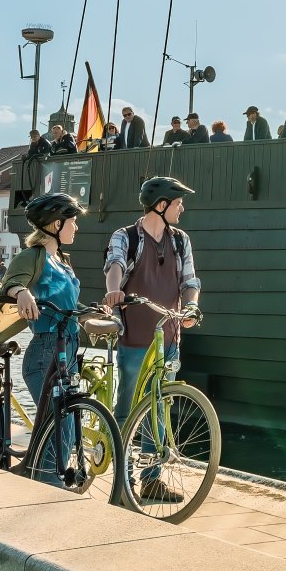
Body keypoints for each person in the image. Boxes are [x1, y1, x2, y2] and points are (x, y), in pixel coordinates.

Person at [103, 176, 201, 503]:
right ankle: (122, 475)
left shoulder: (180, 241)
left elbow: (190, 280)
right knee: (128, 407)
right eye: (178, 203)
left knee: (159, 408)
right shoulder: (127, 237)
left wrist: (192, 306)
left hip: (169, 337)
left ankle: (152, 480)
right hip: (134, 337)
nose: (182, 208)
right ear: (161, 205)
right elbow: (114, 265)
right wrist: (113, 290)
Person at [1, 192, 85, 406]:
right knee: (58, 427)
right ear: (57, 224)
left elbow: (67, 305)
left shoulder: (62, 260)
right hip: (46, 352)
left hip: (69, 348)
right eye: (73, 222)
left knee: (71, 430)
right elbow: (10, 283)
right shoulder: (32, 256)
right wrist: (22, 292)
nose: (76, 228)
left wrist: (93, 313)